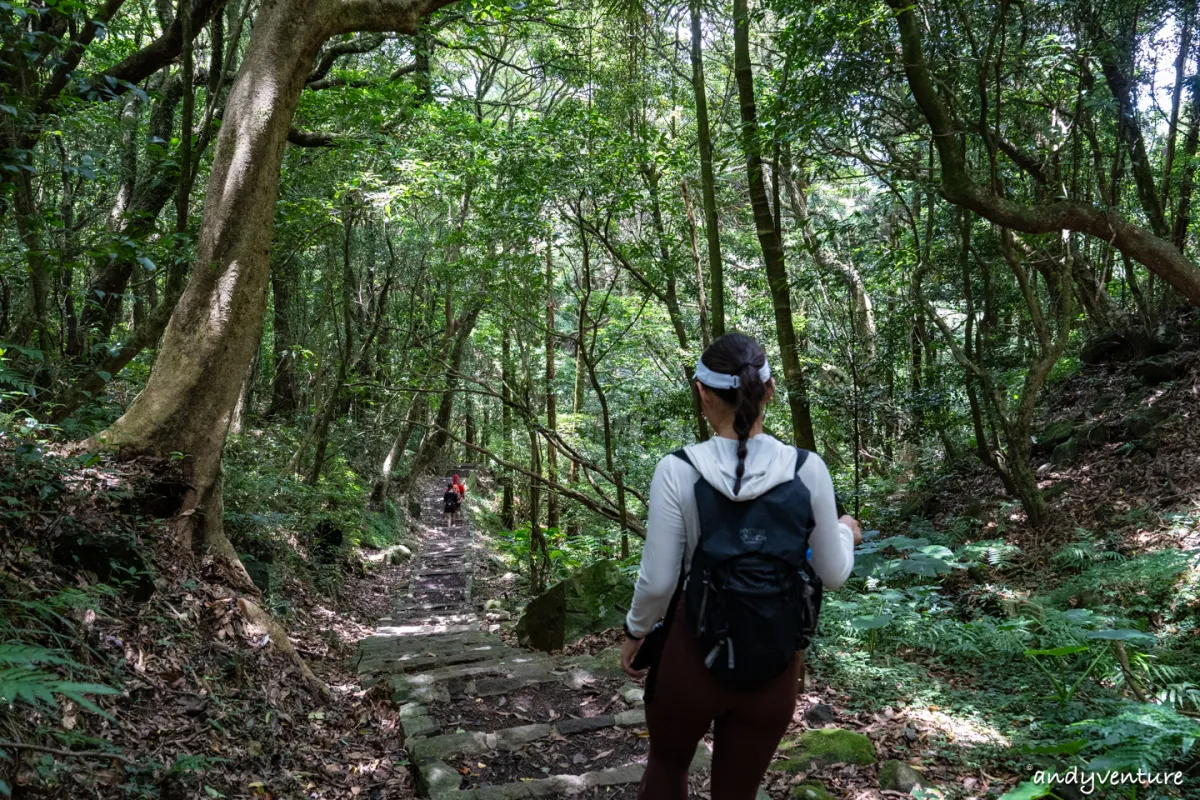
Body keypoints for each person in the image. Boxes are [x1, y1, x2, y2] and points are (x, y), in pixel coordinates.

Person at [620, 332, 862, 800]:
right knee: (738, 792)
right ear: (768, 390)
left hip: (692, 654)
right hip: (774, 664)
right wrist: (843, 533)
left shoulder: (679, 469)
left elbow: (659, 581)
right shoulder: (807, 468)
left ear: (702, 392)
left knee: (667, 769)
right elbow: (832, 574)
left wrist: (635, 632)